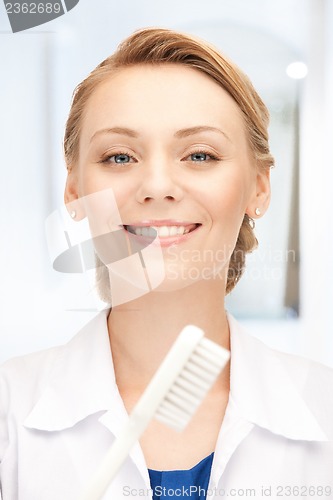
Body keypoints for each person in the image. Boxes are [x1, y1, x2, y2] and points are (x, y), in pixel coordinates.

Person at [1, 27, 333, 500]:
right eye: (119, 156)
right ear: (74, 190)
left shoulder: (326, 410)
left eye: (200, 154)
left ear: (259, 187)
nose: (157, 185)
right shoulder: (9, 415)